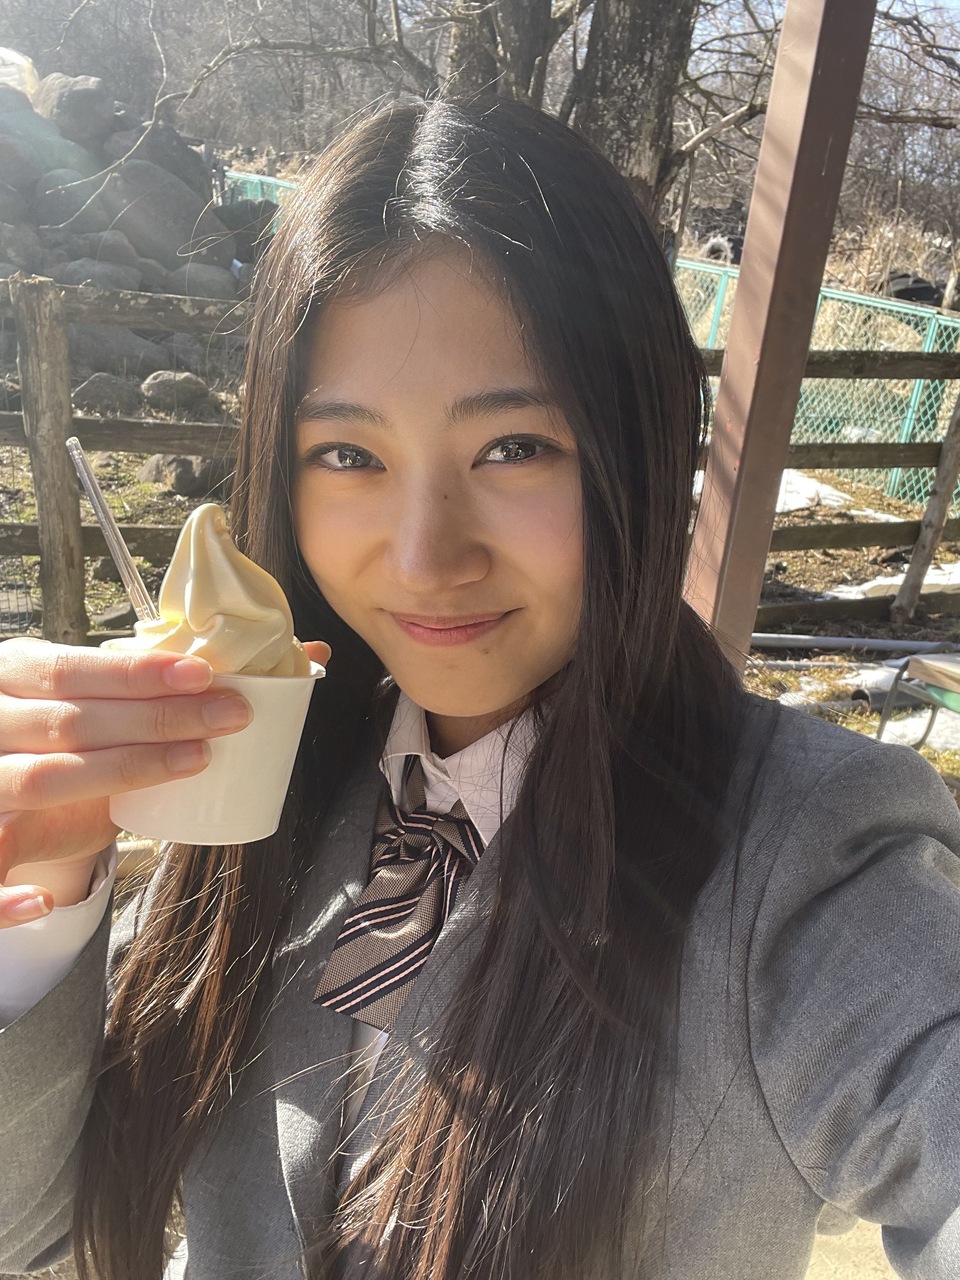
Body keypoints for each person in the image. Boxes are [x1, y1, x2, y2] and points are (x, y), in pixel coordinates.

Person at [1, 96, 959, 1280]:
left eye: (513, 447)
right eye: (349, 454)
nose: (422, 555)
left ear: (637, 449)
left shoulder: (803, 861)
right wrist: (46, 891)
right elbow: (37, 1223)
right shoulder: (282, 776)